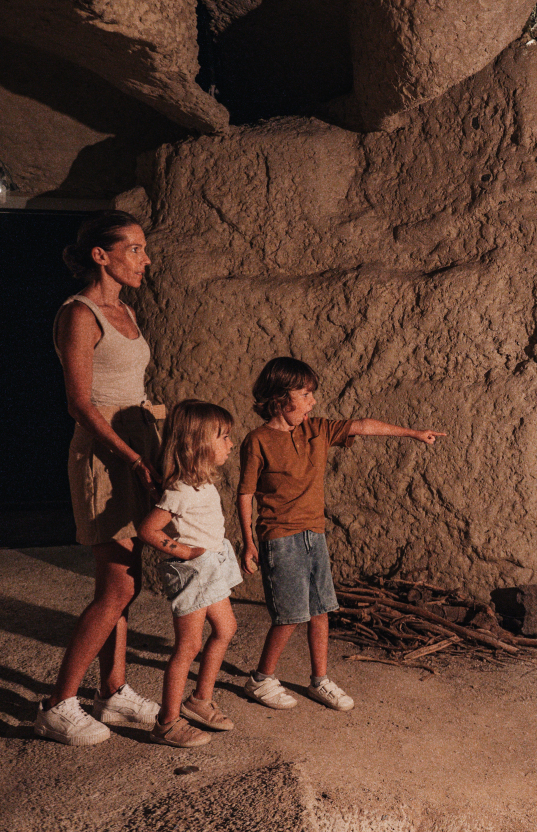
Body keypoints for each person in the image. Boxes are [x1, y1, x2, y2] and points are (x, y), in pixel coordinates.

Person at [238, 357, 444, 711]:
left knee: (320, 611)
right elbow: (245, 493)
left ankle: (320, 680)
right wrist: (247, 542)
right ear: (279, 398)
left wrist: (412, 433)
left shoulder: (316, 429)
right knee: (290, 616)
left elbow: (362, 426)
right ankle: (260, 679)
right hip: (279, 538)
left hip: (313, 535)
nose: (312, 401)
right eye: (305, 394)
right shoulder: (257, 440)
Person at [35, 211, 164, 746]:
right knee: (116, 586)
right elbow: (80, 403)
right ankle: (58, 704)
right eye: (133, 248)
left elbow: (130, 386)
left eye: (143, 248)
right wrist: (131, 456)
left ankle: (112, 691)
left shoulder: (126, 311)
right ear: (100, 255)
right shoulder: (80, 314)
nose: (145, 258)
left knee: (126, 582)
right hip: (105, 458)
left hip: (137, 450)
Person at [137, 400, 242, 748]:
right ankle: (167, 721)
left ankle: (199, 700)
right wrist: (181, 551)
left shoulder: (200, 483)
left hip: (213, 566)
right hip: (194, 571)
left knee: (226, 629)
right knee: (188, 645)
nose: (230, 444)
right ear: (197, 444)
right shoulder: (180, 490)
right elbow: (149, 530)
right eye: (223, 437)